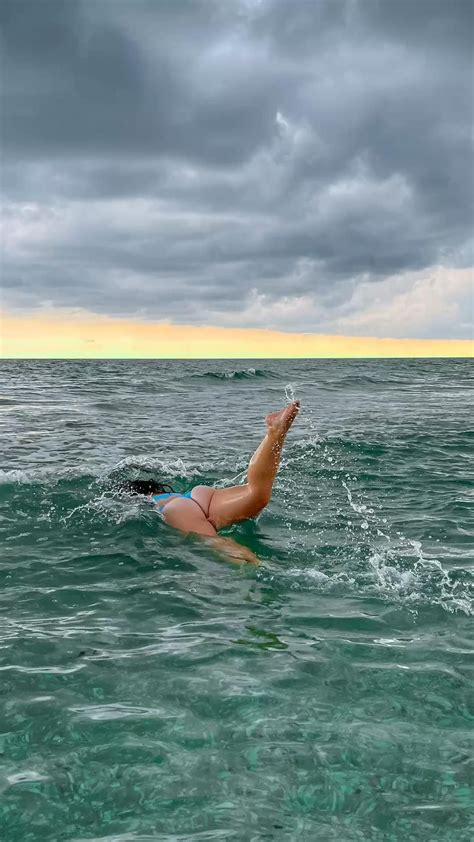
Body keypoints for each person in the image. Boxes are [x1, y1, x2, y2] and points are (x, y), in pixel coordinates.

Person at [125, 400, 300, 563]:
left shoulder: (152, 502)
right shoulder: (170, 494)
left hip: (178, 511)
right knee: (256, 493)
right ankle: (275, 432)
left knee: (219, 545)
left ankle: (261, 572)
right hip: (199, 495)